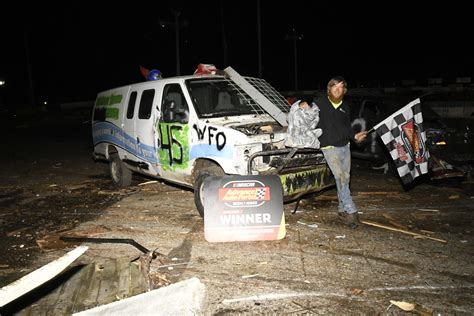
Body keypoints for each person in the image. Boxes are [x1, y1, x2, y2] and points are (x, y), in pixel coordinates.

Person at [315, 76, 367, 229]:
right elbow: (303, 113)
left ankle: (341, 210)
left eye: (340, 87)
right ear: (328, 89)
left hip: (345, 146)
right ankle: (351, 210)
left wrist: (355, 136)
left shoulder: (345, 106)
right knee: (340, 177)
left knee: (345, 178)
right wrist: (301, 104)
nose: (337, 90)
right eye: (334, 87)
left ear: (344, 90)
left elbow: (347, 127)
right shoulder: (320, 103)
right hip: (329, 147)